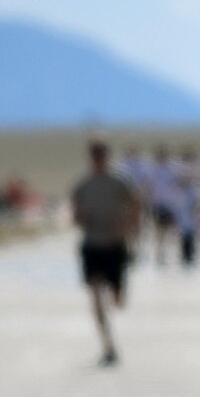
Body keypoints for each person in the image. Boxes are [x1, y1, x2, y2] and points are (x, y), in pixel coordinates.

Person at [70, 140, 142, 367]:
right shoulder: (83, 185)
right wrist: (81, 220)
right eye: (94, 155)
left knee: (118, 300)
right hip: (92, 245)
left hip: (115, 244)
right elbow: (75, 213)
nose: (97, 159)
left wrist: (126, 226)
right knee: (95, 294)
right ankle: (108, 345)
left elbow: (136, 205)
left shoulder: (120, 182)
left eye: (101, 155)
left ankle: (117, 294)